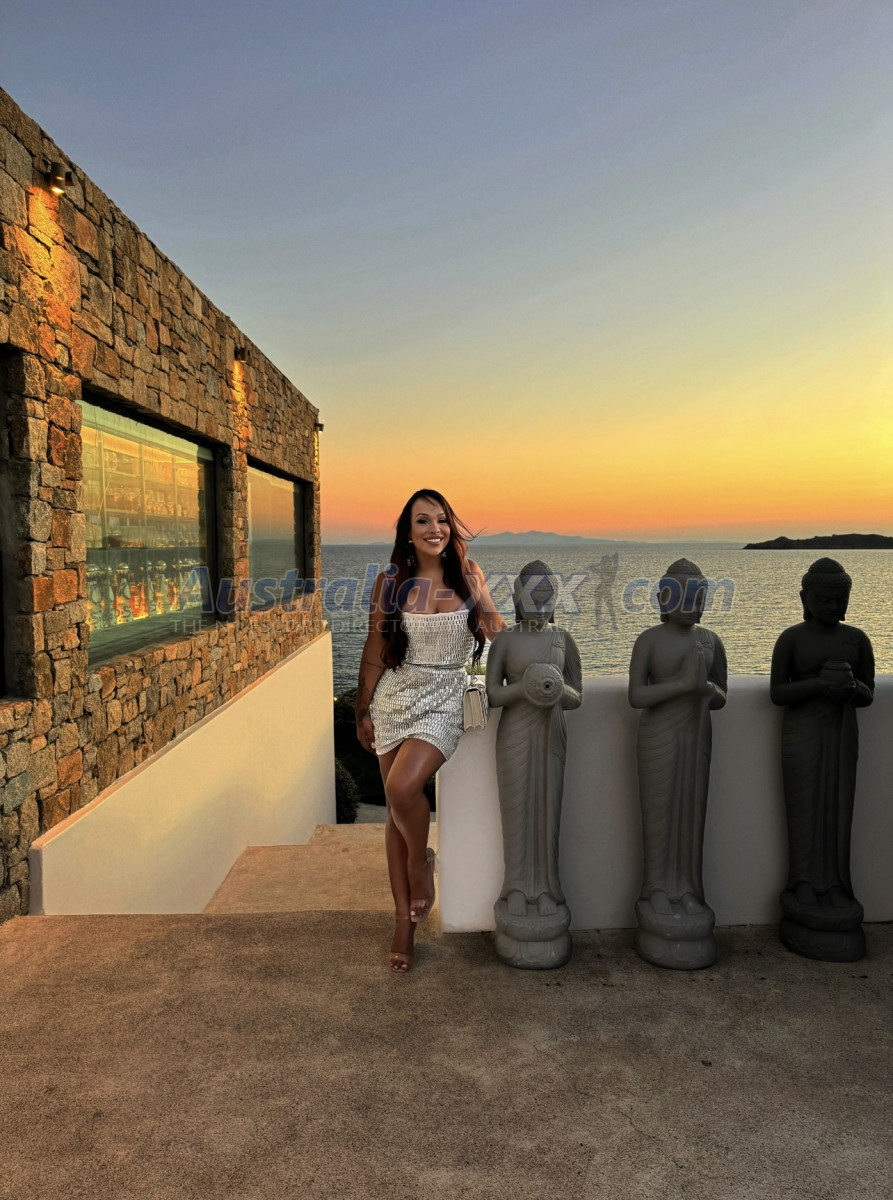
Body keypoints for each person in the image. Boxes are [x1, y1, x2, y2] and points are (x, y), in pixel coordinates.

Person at [355, 490, 504, 972]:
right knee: (395, 813)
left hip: (446, 696)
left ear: (450, 527)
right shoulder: (391, 579)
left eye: (441, 520)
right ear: (408, 530)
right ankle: (404, 922)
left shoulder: (468, 574)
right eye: (423, 521)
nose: (434, 529)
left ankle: (420, 865)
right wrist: (362, 707)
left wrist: (536, 640)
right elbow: (376, 645)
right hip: (395, 695)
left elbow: (496, 629)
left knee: (402, 788)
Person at [770, 558, 874, 954]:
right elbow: (778, 692)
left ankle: (835, 884)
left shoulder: (857, 639)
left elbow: (868, 693)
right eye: (825, 599)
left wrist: (850, 687)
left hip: (841, 734)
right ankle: (803, 882)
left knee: (837, 808)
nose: (833, 606)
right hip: (803, 734)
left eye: (840, 599)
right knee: (804, 809)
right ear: (805, 598)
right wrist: (818, 684)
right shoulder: (791, 639)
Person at [627, 559, 727, 968]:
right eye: (685, 597)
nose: (693, 605)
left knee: (690, 813)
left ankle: (687, 888)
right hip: (659, 737)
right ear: (664, 599)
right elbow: (636, 696)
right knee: (660, 813)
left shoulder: (711, 641)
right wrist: (684, 685)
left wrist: (704, 689)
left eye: (700, 597)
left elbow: (721, 695)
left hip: (696, 735)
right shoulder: (649, 640)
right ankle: (656, 889)